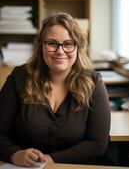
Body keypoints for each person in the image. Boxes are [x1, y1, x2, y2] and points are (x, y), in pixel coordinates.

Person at [0, 12, 111, 167]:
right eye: (52, 43)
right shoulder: (19, 78)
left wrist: (51, 159)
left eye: (68, 43)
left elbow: (97, 144)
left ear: (78, 47)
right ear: (41, 47)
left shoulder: (93, 83)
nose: (60, 51)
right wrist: (15, 154)